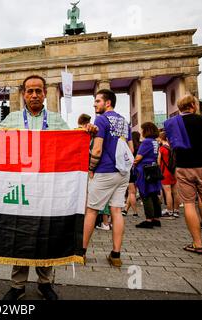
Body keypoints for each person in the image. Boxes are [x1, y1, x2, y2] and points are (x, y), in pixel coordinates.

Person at [0, 75, 96, 301]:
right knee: (20, 236)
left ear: (45, 93)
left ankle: (45, 283)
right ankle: (18, 285)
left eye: (38, 91)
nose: (34, 95)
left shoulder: (57, 121)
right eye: (30, 91)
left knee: (47, 235)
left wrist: (87, 134)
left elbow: (72, 146)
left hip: (47, 192)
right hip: (20, 192)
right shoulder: (12, 120)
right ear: (23, 94)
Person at [83, 89, 133, 268]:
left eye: (97, 101)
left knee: (91, 210)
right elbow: (130, 149)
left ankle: (81, 252)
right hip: (122, 172)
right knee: (117, 211)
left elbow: (97, 149)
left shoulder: (101, 120)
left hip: (105, 170)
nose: (95, 104)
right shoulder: (124, 121)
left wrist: (90, 169)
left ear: (108, 103)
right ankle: (116, 255)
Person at [165, 94, 202, 254]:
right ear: (193, 105)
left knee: (189, 204)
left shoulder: (171, 123)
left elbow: (172, 145)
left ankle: (197, 244)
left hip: (184, 166)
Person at [134, 122, 163, 229]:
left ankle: (149, 219)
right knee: (154, 194)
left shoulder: (146, 142)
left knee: (145, 194)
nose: (141, 132)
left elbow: (138, 157)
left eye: (142, 129)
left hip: (144, 170)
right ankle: (156, 218)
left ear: (146, 130)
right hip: (153, 169)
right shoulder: (155, 142)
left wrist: (133, 163)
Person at [158, 131, 180, 219]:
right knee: (175, 192)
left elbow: (158, 161)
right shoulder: (172, 147)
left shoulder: (162, 148)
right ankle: (176, 211)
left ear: (161, 138)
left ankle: (169, 211)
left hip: (165, 172)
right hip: (173, 171)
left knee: (167, 193)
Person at [122, 132, 141, 217]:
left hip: (130, 170)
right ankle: (126, 209)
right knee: (133, 192)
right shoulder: (140, 146)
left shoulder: (129, 147)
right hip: (138, 171)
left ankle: (135, 212)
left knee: (131, 192)